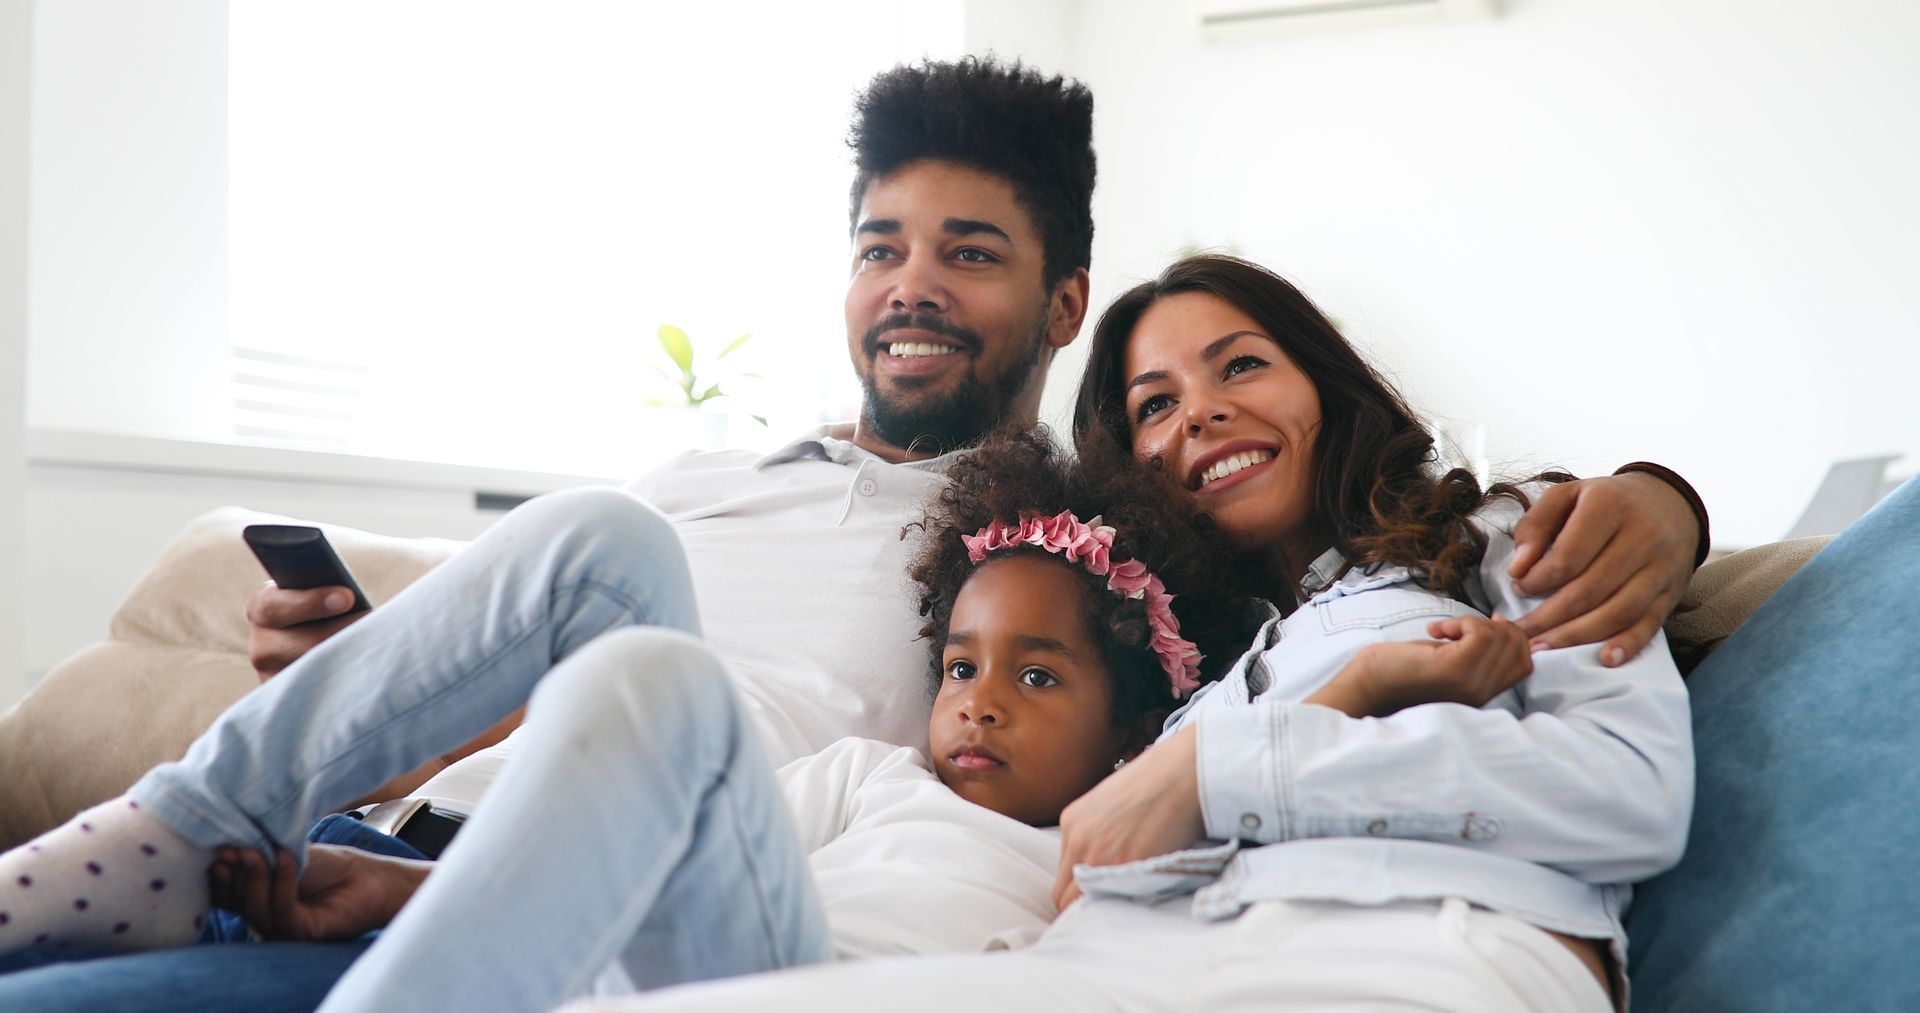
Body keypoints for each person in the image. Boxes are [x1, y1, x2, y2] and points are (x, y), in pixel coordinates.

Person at [0, 57, 1702, 1007]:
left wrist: (1662, 507)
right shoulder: (715, 482)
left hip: (760, 886)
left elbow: (1101, 797)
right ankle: (177, 819)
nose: (913, 281)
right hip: (456, 822)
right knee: (613, 565)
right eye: (885, 243)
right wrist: (398, 679)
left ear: (1056, 308)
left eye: (971, 250)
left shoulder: (1053, 556)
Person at [573, 254, 1693, 1012]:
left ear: (1329, 385)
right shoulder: (1172, 670)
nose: (1199, 410)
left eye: (1241, 365)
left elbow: (1623, 790)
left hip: (1414, 937)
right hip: (1116, 957)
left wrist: (1224, 767)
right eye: (1155, 402)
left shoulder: (1497, 537)